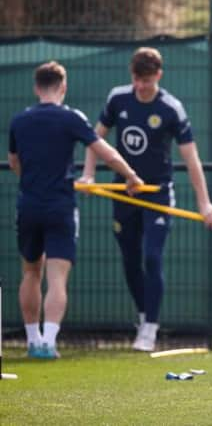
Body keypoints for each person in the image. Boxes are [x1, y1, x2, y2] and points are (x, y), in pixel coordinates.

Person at [78, 47, 212, 352]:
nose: (141, 85)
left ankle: (150, 329)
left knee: (152, 256)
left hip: (157, 194)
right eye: (136, 79)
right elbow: (95, 139)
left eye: (147, 79)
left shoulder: (171, 108)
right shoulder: (118, 98)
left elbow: (192, 160)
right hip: (123, 193)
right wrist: (89, 175)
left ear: (158, 75)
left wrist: (204, 203)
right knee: (130, 260)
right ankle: (143, 315)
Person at [8, 61, 144, 359]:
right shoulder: (71, 118)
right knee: (57, 278)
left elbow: (15, 162)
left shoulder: (19, 121)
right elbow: (104, 151)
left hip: (28, 205)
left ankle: (32, 341)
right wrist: (132, 176)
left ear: (36, 88)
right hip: (60, 206)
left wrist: (33, 181)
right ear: (63, 87)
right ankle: (49, 343)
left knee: (30, 271)